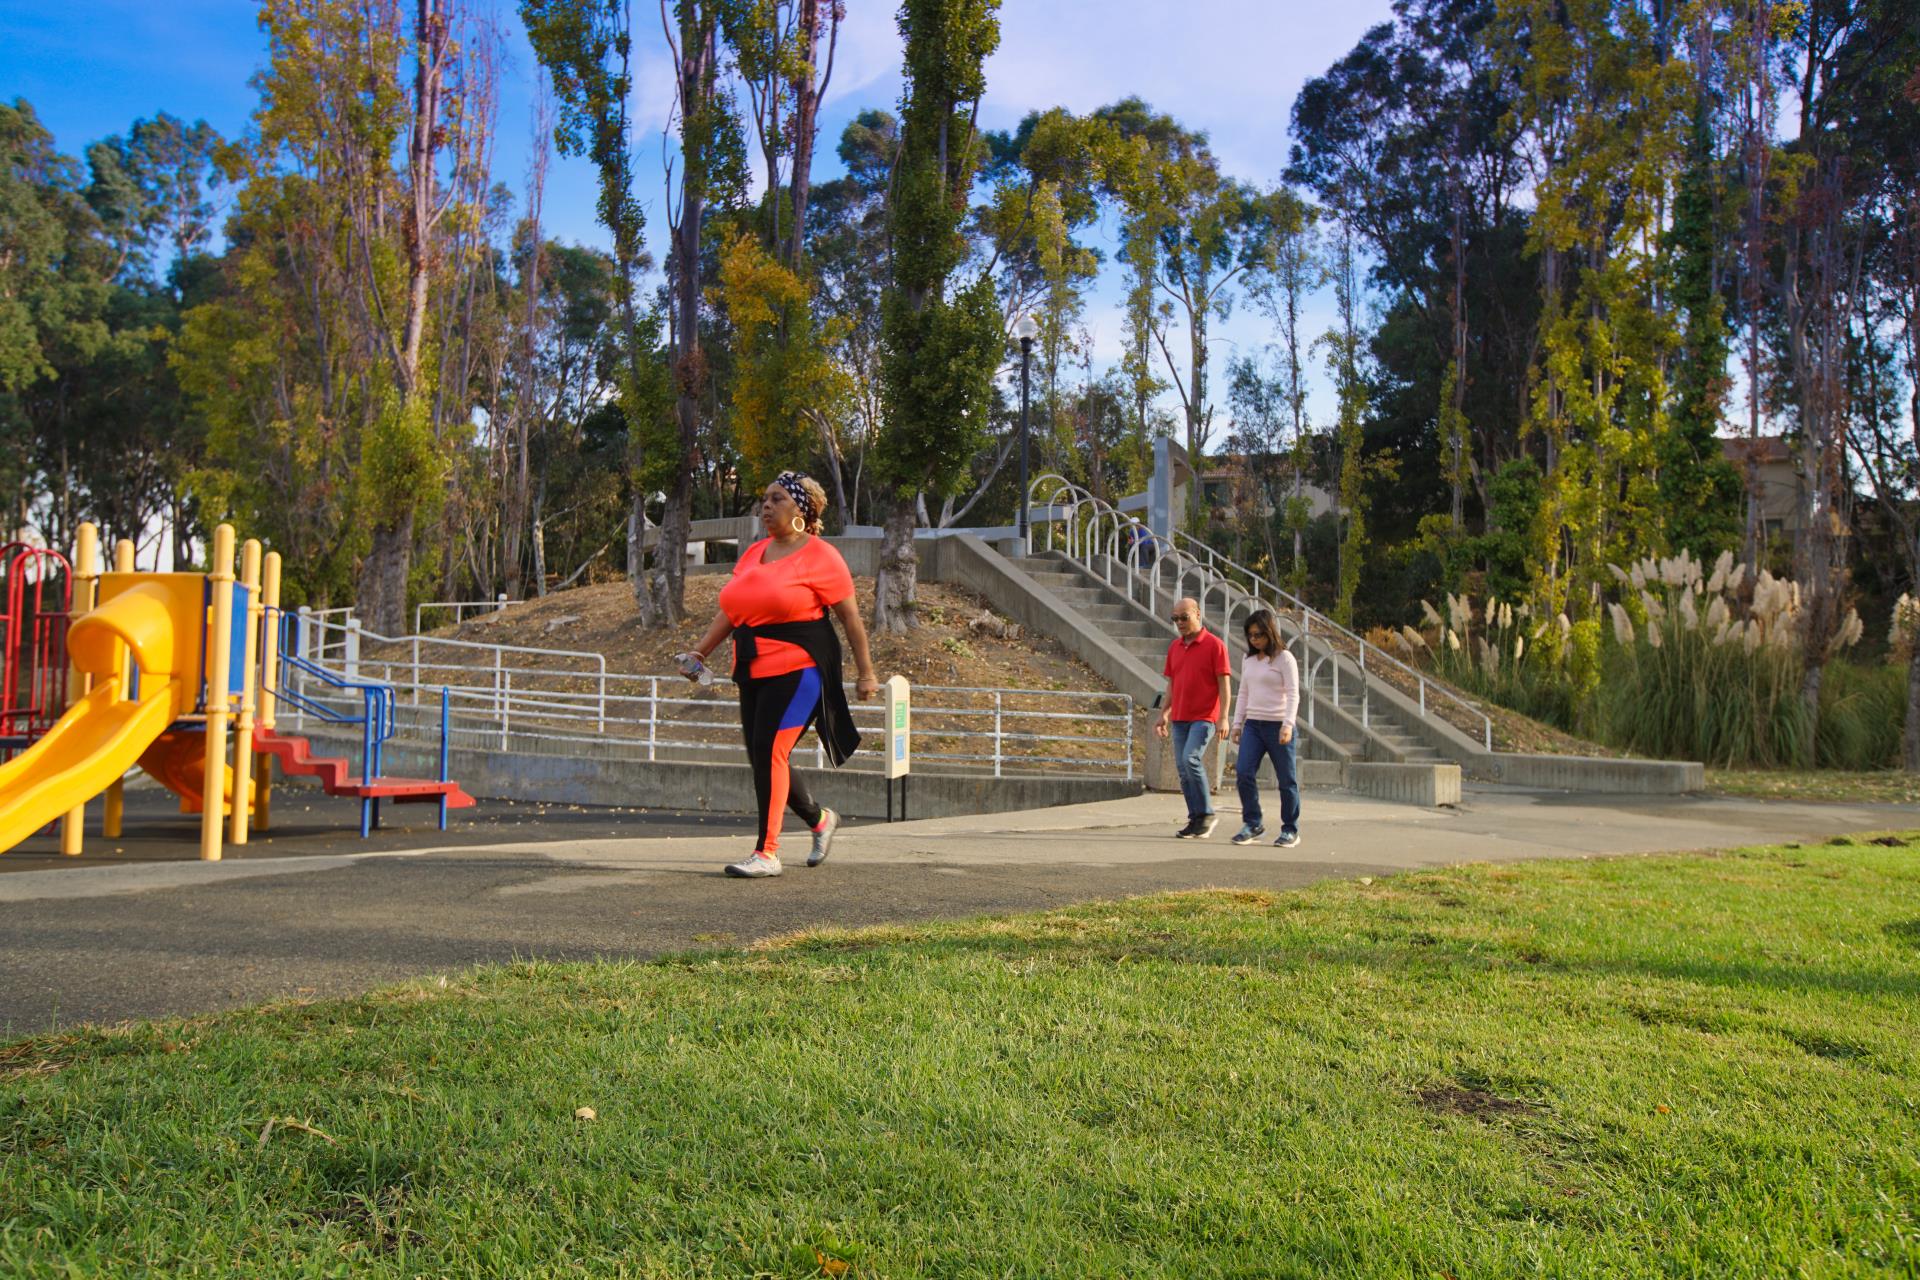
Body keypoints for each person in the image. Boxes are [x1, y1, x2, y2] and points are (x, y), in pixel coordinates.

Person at [682, 471, 880, 878]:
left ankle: (767, 852)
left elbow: (851, 618)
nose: (766, 506)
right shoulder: (754, 553)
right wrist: (701, 651)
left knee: (771, 749)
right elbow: (732, 612)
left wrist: (866, 673)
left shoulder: (822, 556)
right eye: (764, 499)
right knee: (762, 755)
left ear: (801, 510)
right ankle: (820, 820)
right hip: (753, 665)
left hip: (801, 664)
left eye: (776, 499)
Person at [1152, 596, 1231, 839]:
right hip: (1180, 716)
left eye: (1184, 617)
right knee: (1183, 768)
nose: (1180, 623)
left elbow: (1224, 684)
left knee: (1191, 758)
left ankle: (1207, 813)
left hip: (1204, 716)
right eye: (1175, 619)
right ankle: (1196, 818)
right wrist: (1164, 713)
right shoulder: (1175, 647)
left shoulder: (1215, 645)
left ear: (1198, 614)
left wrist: (1224, 717)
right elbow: (1172, 684)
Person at [1228, 608, 1301, 848]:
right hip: (1254, 726)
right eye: (1250, 635)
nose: (1254, 639)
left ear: (1270, 633)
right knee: (1244, 772)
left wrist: (1288, 725)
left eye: (1259, 634)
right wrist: (1237, 723)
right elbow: (1244, 692)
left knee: (1286, 779)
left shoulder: (1284, 658)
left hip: (1278, 724)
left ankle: (1290, 829)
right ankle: (1253, 823)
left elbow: (1293, 694)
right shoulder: (1248, 659)